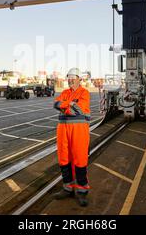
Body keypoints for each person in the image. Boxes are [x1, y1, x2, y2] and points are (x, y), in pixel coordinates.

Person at [53, 68, 91, 207]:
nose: (70, 80)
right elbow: (56, 104)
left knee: (80, 159)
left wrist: (65, 106)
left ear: (79, 79)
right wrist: (69, 104)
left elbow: (78, 110)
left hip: (79, 130)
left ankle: (82, 191)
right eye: (68, 77)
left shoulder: (84, 92)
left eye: (73, 77)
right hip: (63, 129)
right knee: (64, 159)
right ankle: (68, 187)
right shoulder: (64, 92)